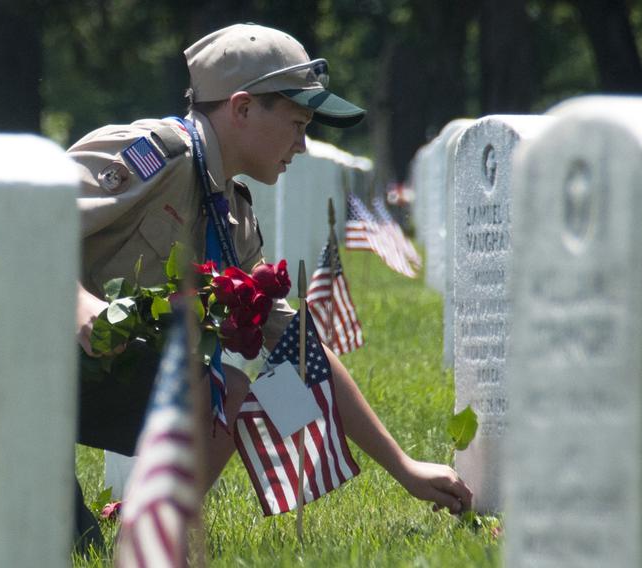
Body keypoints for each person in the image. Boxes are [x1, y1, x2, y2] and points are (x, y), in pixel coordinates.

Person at [69, 23, 472, 550]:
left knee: (226, 393)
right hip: (12, 373)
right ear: (240, 108)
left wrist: (403, 467)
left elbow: (299, 347)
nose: (303, 145)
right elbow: (19, 226)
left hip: (85, 385)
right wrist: (81, 306)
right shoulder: (152, 155)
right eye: (297, 123)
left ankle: (143, 539)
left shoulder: (230, 220)